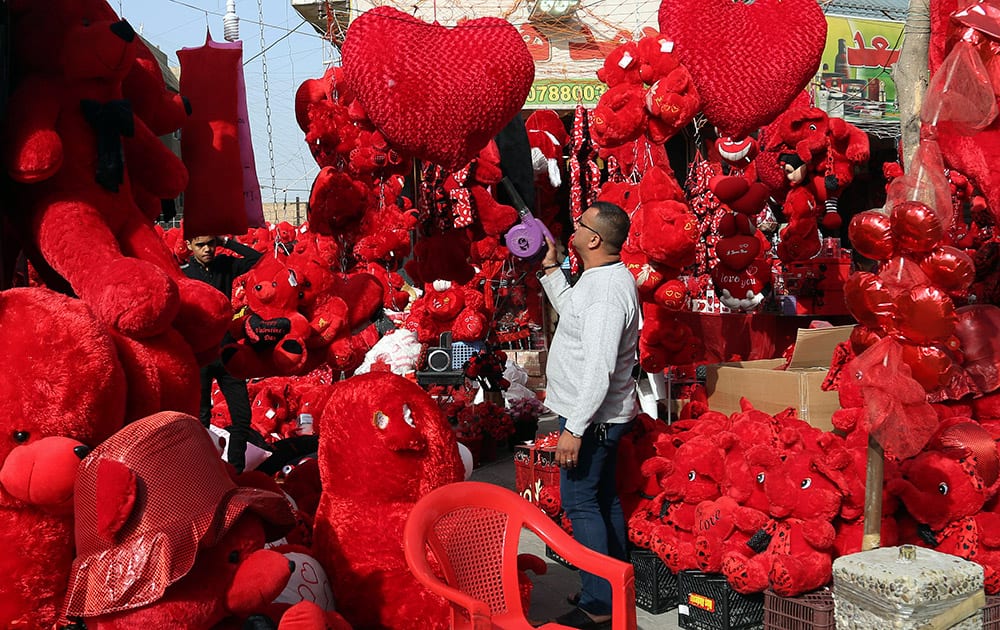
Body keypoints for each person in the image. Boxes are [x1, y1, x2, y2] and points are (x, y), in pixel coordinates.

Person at [536, 201, 639, 629]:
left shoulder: (606, 292)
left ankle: (599, 603)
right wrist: (551, 270)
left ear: (594, 239)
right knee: (603, 500)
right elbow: (573, 313)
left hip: (593, 418)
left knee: (582, 505)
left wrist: (574, 429)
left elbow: (600, 369)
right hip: (597, 416)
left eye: (579, 224)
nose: (572, 229)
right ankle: (615, 589)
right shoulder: (597, 281)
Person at [182, 234, 263, 472]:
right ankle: (205, 470)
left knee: (242, 416)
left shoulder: (225, 264)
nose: (207, 249)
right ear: (189, 246)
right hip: (200, 355)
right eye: (200, 245)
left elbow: (257, 259)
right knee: (201, 418)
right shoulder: (184, 273)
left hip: (227, 352)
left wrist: (227, 242)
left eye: (211, 244)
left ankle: (235, 469)